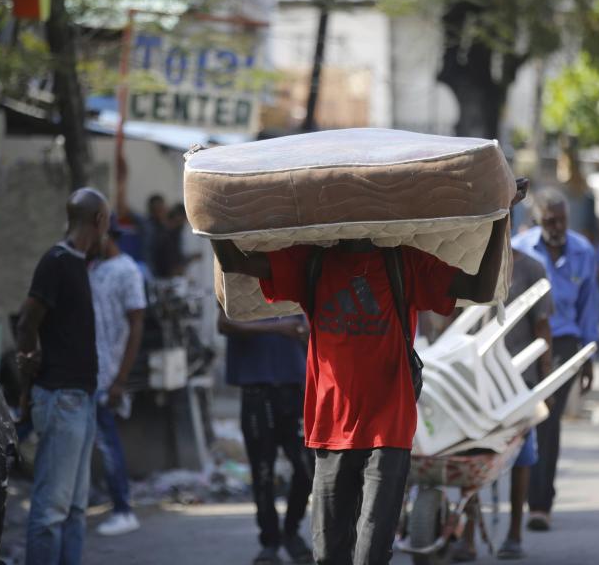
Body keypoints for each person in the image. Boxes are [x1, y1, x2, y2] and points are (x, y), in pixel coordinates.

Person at [212, 178, 529, 565]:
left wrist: (502, 215)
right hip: (330, 427)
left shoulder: (403, 262)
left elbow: (480, 288)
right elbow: (235, 261)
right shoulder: (310, 262)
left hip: (388, 425)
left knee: (372, 552)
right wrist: (209, 200)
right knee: (328, 552)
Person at [16, 188, 110, 565]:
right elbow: (27, 321)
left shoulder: (76, 263)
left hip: (81, 399)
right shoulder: (56, 261)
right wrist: (28, 361)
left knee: (74, 509)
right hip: (61, 399)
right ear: (99, 221)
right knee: (51, 511)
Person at [453, 247, 554, 562]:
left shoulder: (532, 269)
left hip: (517, 382)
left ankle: (514, 534)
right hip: (477, 381)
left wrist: (545, 383)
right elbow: (455, 322)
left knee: (521, 455)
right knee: (472, 454)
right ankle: (467, 537)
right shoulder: (466, 262)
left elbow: (542, 328)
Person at [512, 188, 599, 532]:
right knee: (520, 422)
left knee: (548, 420)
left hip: (563, 343)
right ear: (538, 220)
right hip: (524, 340)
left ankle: (540, 504)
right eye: (550, 220)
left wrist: (589, 355)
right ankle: (517, 497)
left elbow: (589, 307)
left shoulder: (583, 251)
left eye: (562, 219)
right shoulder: (521, 250)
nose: (557, 226)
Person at [218, 313, 315, 565]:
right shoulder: (238, 278)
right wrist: (280, 327)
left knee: (307, 468)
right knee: (262, 472)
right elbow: (225, 323)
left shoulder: (297, 276)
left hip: (295, 388)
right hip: (256, 389)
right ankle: (270, 542)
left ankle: (291, 532)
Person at [90, 215, 147, 536]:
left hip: (109, 373)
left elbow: (136, 323)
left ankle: (123, 509)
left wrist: (121, 378)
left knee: (109, 443)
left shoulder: (127, 271)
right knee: (98, 442)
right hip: (91, 372)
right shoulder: (94, 269)